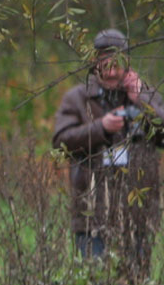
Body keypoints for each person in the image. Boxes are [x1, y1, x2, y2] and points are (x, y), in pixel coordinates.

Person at [52, 28, 164, 272]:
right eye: (105, 62)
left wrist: (141, 99)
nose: (112, 70)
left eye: (117, 62)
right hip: (92, 213)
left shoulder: (146, 93)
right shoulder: (78, 98)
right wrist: (100, 128)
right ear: (95, 63)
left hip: (137, 214)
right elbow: (60, 141)